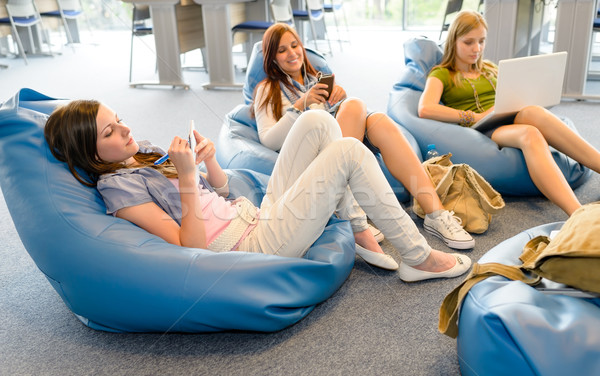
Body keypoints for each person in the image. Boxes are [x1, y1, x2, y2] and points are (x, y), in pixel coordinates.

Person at [44, 101, 471, 282]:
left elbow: (224, 191)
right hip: (249, 245)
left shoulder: (142, 153)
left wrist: (208, 163)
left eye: (119, 119)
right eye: (110, 131)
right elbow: (187, 246)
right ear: (90, 150)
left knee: (318, 121)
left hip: (253, 214)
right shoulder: (119, 188)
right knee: (348, 152)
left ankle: (358, 228)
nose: (126, 129)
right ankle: (418, 258)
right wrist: (189, 178)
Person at [252, 23, 474, 261]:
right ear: (272, 58)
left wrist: (339, 100)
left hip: (339, 140)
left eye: (295, 45)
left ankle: (436, 214)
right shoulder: (268, 89)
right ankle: (353, 214)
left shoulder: (316, 79)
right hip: (309, 157)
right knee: (356, 106)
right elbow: (268, 139)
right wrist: (300, 105)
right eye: (282, 50)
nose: (292, 53)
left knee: (372, 115)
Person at [418, 10, 600, 217]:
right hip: (483, 127)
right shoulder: (442, 73)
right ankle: (578, 214)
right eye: (468, 42)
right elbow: (425, 108)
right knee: (530, 132)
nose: (476, 49)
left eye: (481, 41)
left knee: (532, 114)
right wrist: (472, 116)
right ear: (453, 41)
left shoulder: (489, 68)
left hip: (509, 115)